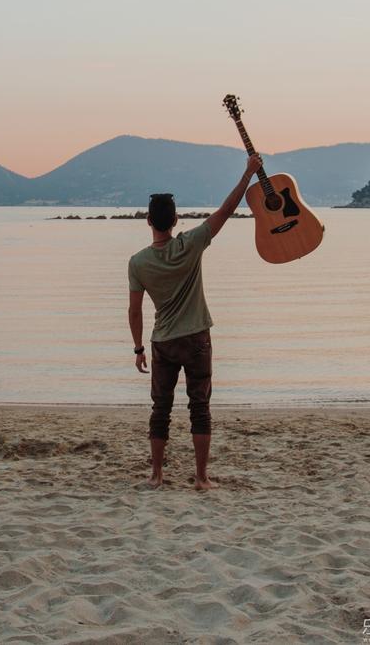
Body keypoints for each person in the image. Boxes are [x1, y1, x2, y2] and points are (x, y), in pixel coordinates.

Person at [128, 153, 263, 490]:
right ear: (175, 220)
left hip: (163, 342)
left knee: (161, 408)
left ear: (149, 222)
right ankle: (202, 478)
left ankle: (157, 476)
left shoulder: (138, 262)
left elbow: (134, 311)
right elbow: (227, 210)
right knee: (199, 407)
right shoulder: (191, 244)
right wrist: (249, 174)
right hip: (197, 339)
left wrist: (138, 348)